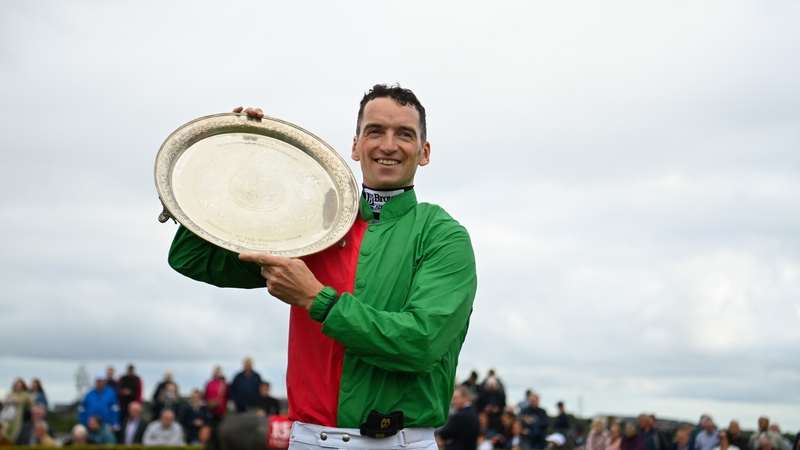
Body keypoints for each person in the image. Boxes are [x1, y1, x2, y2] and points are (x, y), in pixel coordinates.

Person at [168, 84, 478, 450]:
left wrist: (318, 300)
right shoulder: (315, 225)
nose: (389, 145)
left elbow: (422, 343)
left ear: (424, 152)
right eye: (375, 131)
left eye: (404, 135)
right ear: (355, 145)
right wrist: (232, 157)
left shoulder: (443, 235)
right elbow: (193, 258)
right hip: (307, 440)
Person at [435, 386, 479, 450]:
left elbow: (444, 433)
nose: (453, 402)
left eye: (456, 398)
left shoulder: (460, 416)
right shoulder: (474, 414)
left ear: (465, 398)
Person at [1, 378, 31, 443]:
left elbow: (29, 403)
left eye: (20, 386)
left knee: (14, 433)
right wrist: (11, 401)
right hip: (8, 416)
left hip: (18, 416)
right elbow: (4, 404)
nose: (18, 387)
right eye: (17, 385)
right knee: (4, 429)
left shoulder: (25, 394)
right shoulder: (10, 393)